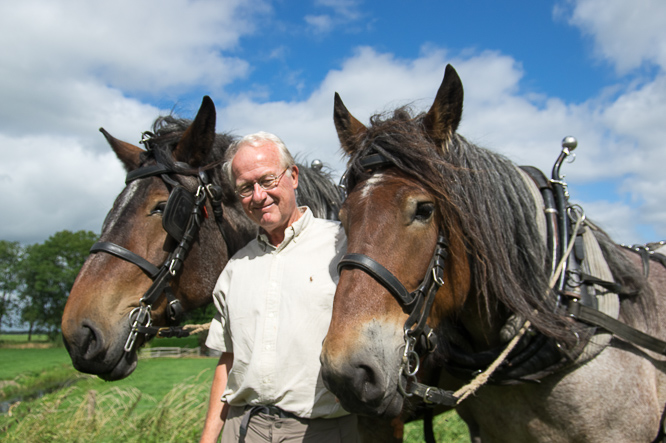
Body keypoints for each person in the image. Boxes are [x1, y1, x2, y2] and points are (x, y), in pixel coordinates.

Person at [200, 132, 357, 443]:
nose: (258, 196)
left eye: (268, 180)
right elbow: (228, 360)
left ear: (293, 176)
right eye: (245, 188)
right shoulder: (235, 268)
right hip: (242, 428)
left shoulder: (344, 245)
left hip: (320, 430)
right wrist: (208, 439)